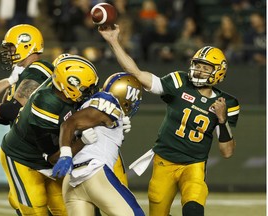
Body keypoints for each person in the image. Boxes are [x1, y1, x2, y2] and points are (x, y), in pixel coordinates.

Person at [99, 25, 240, 216]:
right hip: (163, 162)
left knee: (193, 209)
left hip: (193, 165)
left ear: (219, 73)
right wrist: (114, 41)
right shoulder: (179, 82)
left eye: (205, 68)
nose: (199, 71)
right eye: (197, 65)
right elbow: (137, 73)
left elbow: (227, 152)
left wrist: (222, 120)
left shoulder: (226, 103)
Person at [0, 55, 99, 215]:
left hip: (49, 154)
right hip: (23, 157)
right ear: (69, 86)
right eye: (85, 89)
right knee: (36, 208)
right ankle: (16, 196)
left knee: (67, 208)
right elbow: (53, 156)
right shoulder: (46, 104)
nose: (90, 92)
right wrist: (82, 141)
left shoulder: (62, 91)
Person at [52, 72, 145, 216]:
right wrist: (65, 154)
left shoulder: (90, 106)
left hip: (71, 182)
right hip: (95, 174)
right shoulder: (108, 100)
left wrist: (118, 125)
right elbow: (70, 123)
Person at [0, 24, 53, 127]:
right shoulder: (21, 73)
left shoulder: (39, 69)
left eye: (11, 47)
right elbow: (4, 118)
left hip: (39, 139)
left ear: (26, 45)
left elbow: (11, 112)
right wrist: (10, 80)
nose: (9, 52)